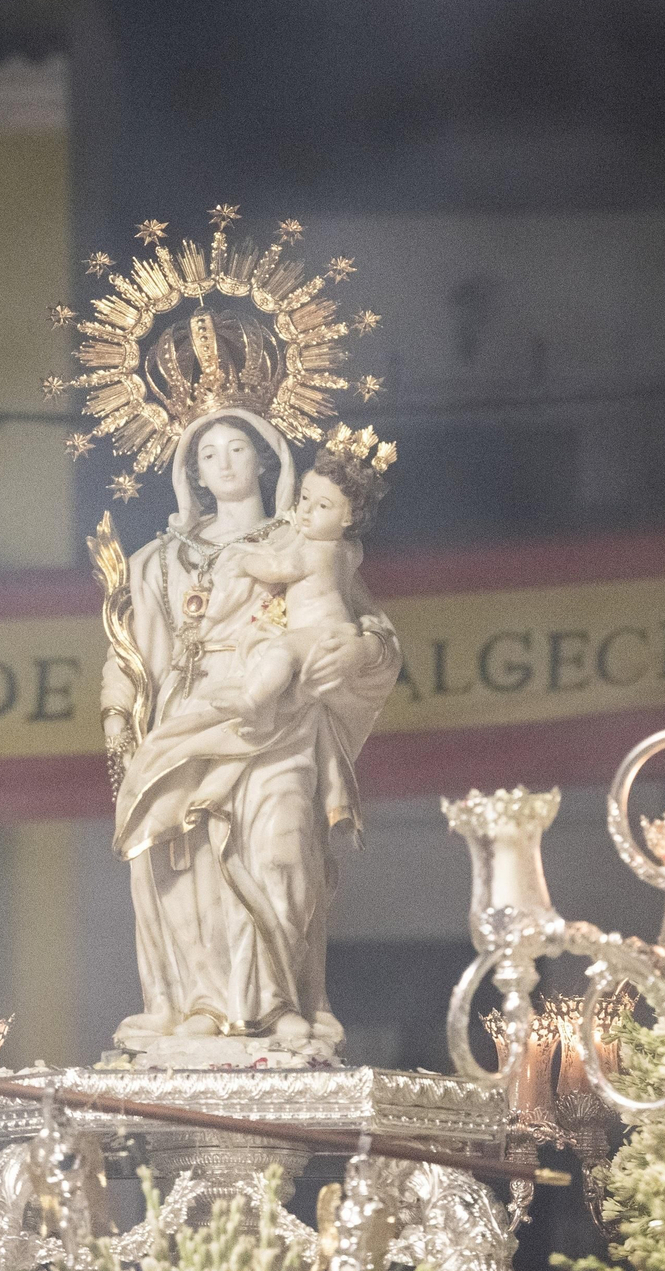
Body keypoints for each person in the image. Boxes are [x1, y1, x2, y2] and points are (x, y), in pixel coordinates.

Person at [99, 408, 401, 1061]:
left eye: (239, 446)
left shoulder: (309, 539)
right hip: (189, 725)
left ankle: (277, 1004)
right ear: (192, 471)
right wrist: (117, 718)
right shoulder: (158, 559)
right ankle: (208, 1004)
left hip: (284, 721)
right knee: (189, 862)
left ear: (265, 457)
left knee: (283, 849)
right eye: (209, 453)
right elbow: (126, 652)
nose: (226, 461)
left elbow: (373, 633)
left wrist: (355, 652)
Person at [211, 439, 391, 736]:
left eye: (322, 506)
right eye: (304, 498)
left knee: (282, 650)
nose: (306, 511)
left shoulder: (313, 549)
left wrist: (244, 561)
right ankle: (262, 709)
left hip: (321, 634)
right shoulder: (349, 548)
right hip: (338, 629)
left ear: (348, 517)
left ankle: (253, 703)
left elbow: (281, 569)